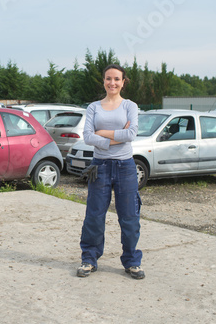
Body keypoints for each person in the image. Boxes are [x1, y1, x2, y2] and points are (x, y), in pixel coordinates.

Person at [77, 64, 144, 279]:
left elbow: (131, 133)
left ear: (123, 82)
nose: (112, 83)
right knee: (94, 215)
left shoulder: (130, 106)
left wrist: (103, 134)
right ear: (103, 81)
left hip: (125, 167)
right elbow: (88, 136)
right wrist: (116, 137)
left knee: (129, 217)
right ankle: (89, 259)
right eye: (108, 79)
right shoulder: (93, 107)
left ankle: (132, 261)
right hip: (100, 167)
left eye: (116, 79)